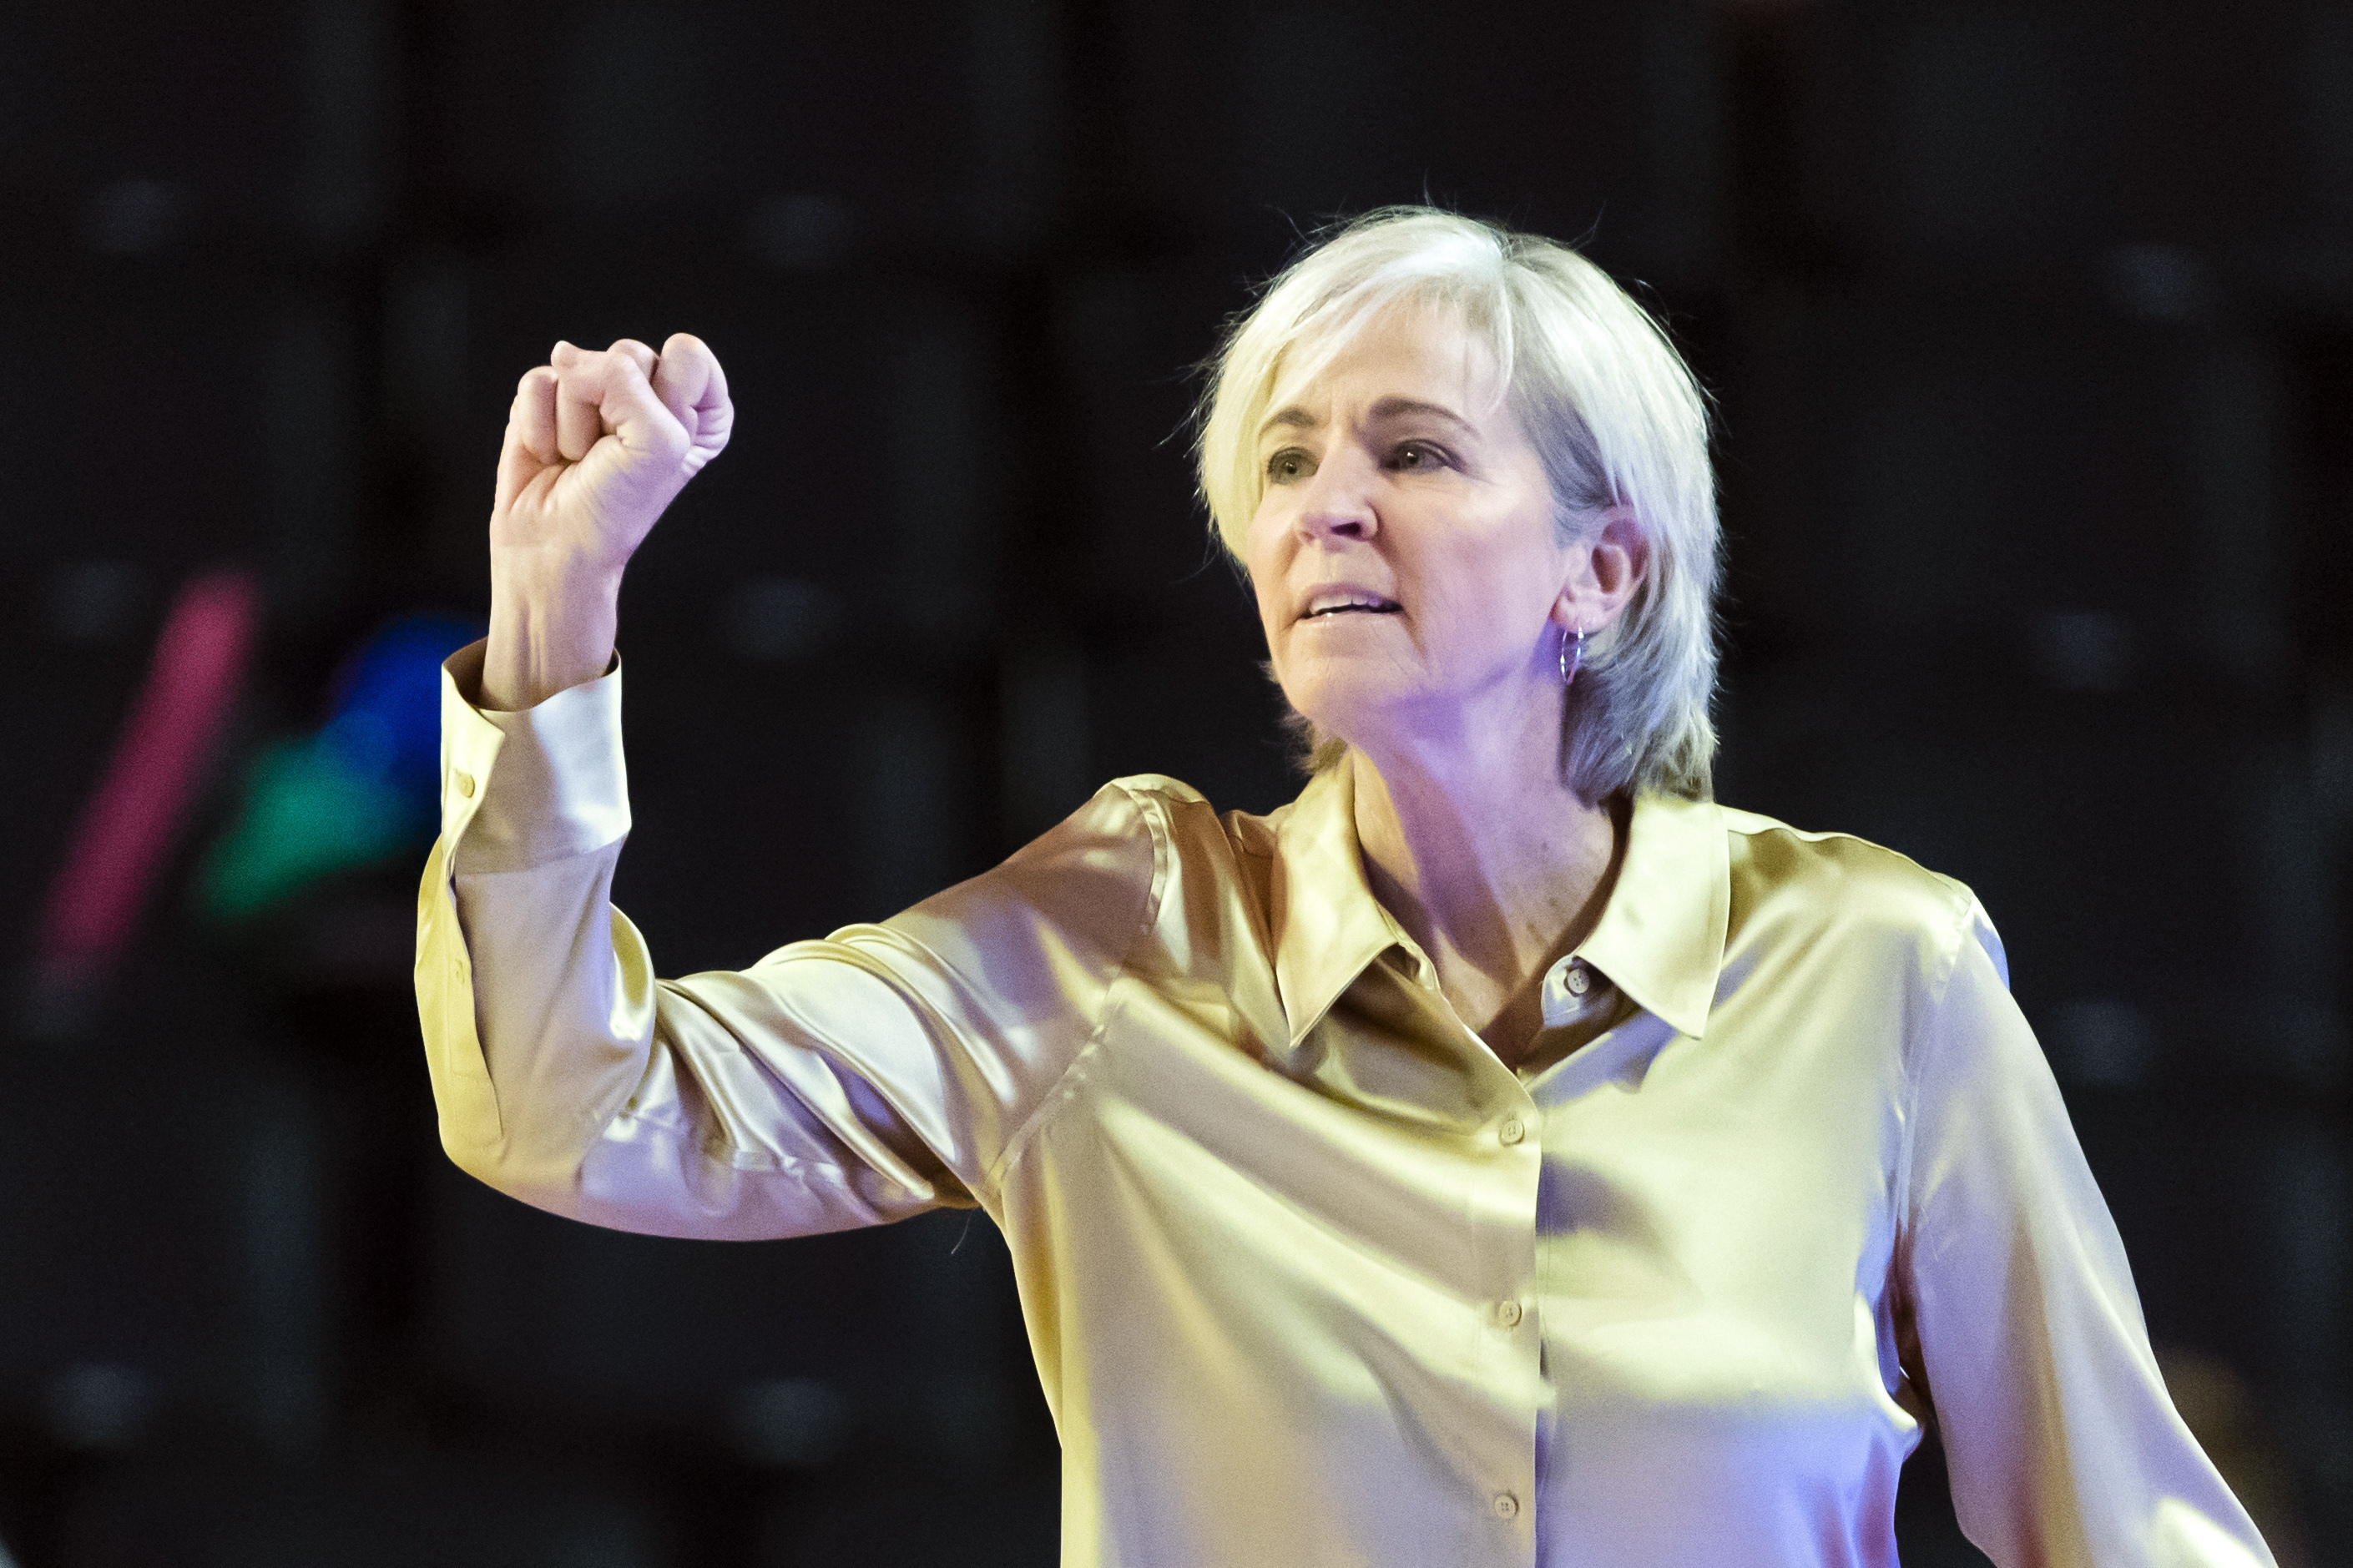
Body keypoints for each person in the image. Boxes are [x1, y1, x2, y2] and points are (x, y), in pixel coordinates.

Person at [416, 208, 2275, 1566]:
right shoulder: (1111, 944)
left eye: (1414, 453)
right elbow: (570, 1110)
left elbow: (2128, 1533)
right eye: (1287, 462)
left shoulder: (1876, 970)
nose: (1324, 506)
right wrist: (551, 623)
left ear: (1602, 572)